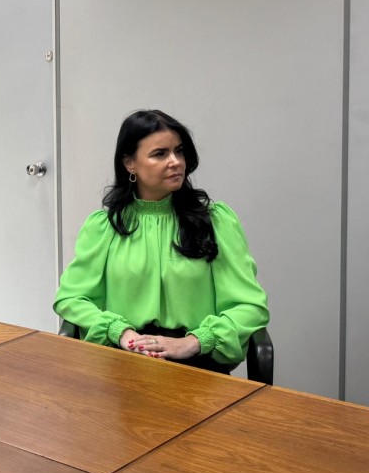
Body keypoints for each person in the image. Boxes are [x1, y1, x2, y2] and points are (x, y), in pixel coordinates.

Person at [54, 110, 269, 372]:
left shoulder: (216, 222)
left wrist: (195, 342)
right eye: (160, 154)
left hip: (198, 364)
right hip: (125, 361)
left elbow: (250, 306)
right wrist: (120, 333)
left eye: (179, 151)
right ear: (130, 163)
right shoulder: (105, 226)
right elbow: (72, 298)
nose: (176, 161)